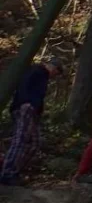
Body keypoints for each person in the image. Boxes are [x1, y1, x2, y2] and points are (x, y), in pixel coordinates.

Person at [1, 56, 61, 184]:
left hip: (32, 112)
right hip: (25, 108)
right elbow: (24, 86)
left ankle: (15, 171)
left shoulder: (43, 76)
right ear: (53, 67)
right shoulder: (36, 71)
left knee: (34, 143)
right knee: (20, 141)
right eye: (56, 72)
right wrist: (26, 103)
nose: (54, 75)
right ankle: (7, 173)